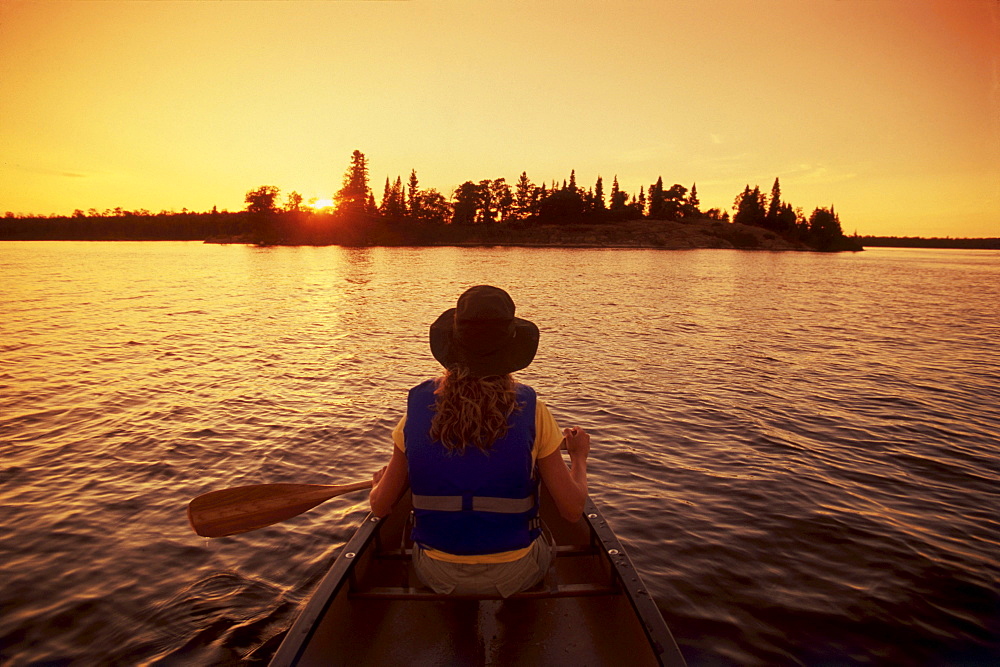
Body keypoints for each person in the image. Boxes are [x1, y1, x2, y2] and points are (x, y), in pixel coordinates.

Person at [369, 285, 590, 597]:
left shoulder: (416, 410)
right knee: (545, 546)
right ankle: (519, 626)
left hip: (436, 571)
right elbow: (571, 510)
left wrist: (380, 485)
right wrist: (579, 458)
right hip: (516, 572)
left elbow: (380, 507)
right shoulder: (533, 411)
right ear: (511, 353)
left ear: (452, 348)